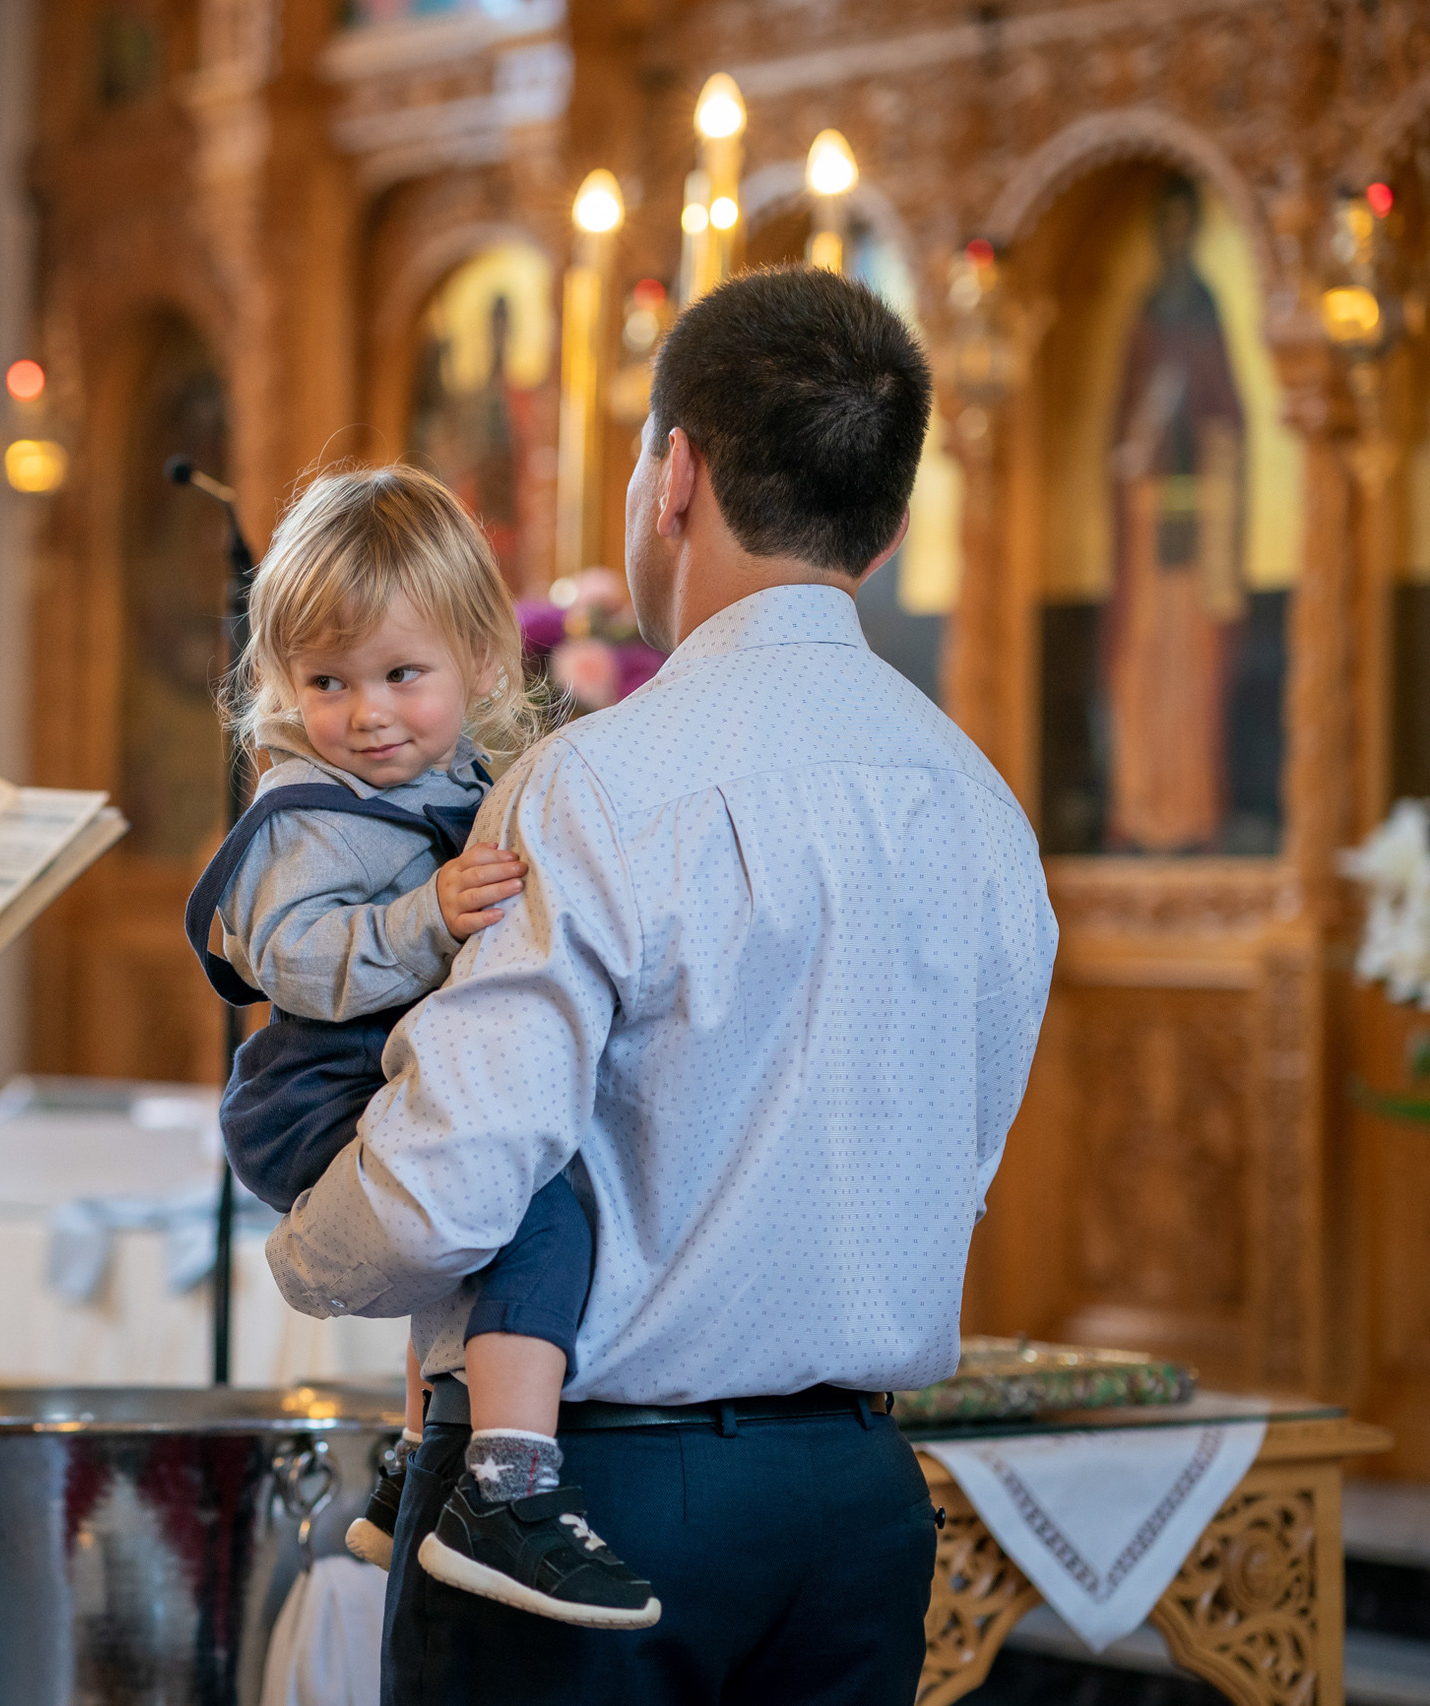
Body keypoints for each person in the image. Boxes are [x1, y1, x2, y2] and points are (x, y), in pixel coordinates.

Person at [267, 266, 1058, 1704]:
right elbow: (960, 1158)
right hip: (860, 1504)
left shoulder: (596, 781)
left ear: (673, 476)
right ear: (884, 529)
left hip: (587, 1500)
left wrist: (305, 1251)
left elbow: (450, 1187)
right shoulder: (981, 806)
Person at [183, 463, 656, 1629]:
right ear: (282, 681)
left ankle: (414, 1465)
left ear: (482, 662)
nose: (367, 713)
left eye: (401, 674)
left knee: (466, 1239)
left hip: (382, 1072)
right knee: (533, 1209)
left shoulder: (472, 784)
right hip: (315, 1091)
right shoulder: (306, 812)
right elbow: (286, 958)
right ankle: (507, 1487)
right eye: (328, 681)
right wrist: (423, 918)